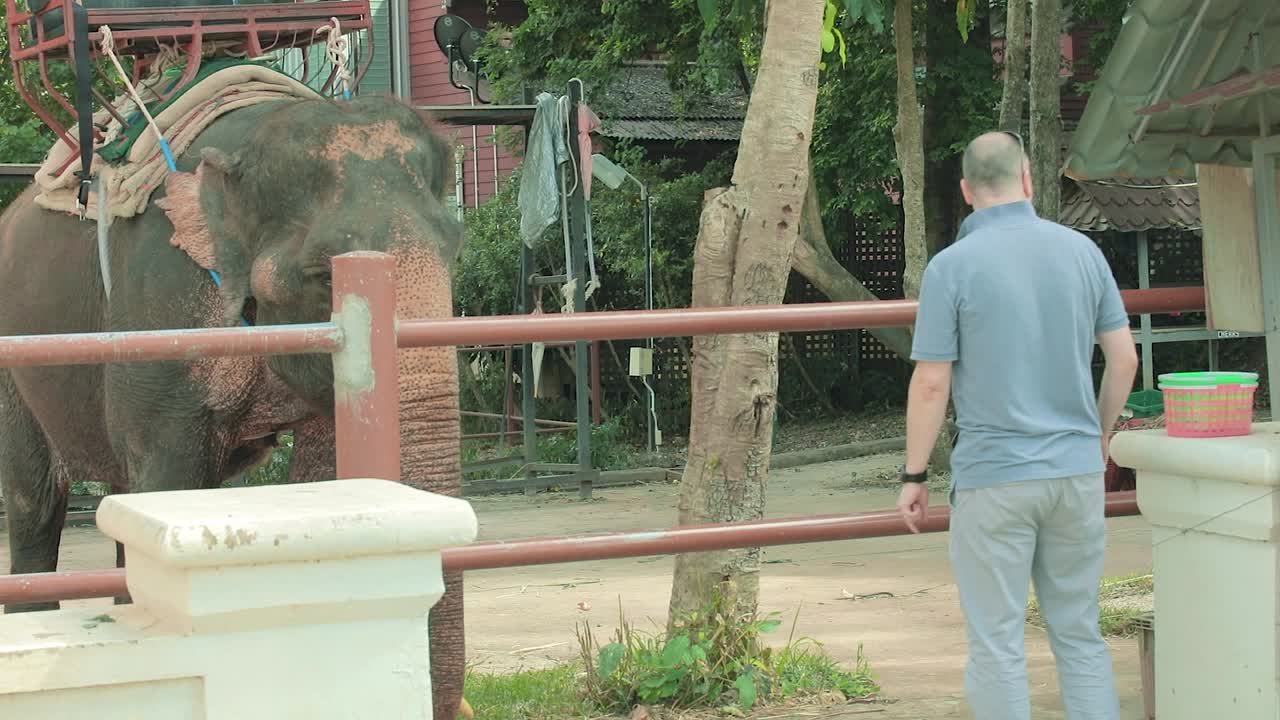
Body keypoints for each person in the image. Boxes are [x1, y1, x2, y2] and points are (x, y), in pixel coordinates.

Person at [894, 130, 1139, 720]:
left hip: (994, 478)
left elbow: (931, 382)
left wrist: (914, 473)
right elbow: (1124, 359)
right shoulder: (1082, 251)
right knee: (1079, 636)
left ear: (965, 191)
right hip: (1075, 470)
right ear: (1028, 180)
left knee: (997, 644)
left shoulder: (951, 267)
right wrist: (1098, 436)